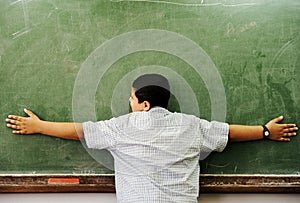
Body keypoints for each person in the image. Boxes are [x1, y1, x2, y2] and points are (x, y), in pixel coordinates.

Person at [5, 74, 298, 203]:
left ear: (145, 104)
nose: (129, 101)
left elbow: (78, 131)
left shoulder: (122, 127)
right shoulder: (191, 126)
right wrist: (266, 131)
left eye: (132, 97)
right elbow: (229, 132)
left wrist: (40, 126)